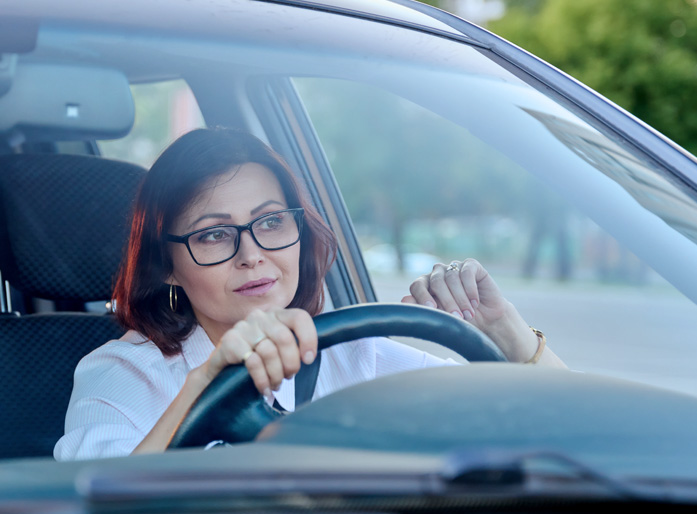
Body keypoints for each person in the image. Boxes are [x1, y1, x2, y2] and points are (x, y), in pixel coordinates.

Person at [53, 127, 565, 461]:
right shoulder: (123, 374)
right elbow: (92, 510)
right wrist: (206, 380)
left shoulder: (353, 352)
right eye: (213, 234)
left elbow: (568, 429)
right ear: (165, 266)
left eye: (271, 222)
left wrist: (509, 336)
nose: (251, 254)